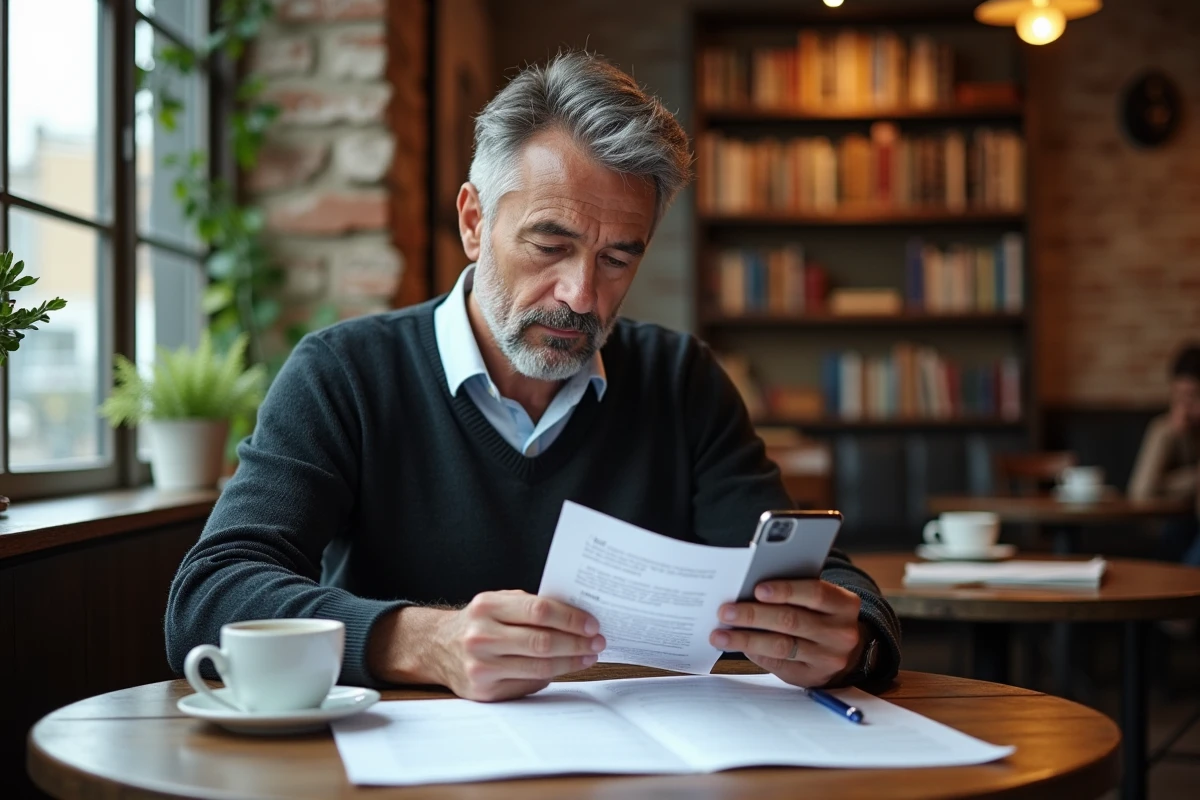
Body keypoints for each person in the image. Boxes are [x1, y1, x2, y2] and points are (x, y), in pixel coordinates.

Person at [165, 52, 901, 702]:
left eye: (617, 259)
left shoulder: (683, 382)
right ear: (473, 221)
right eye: (550, 244)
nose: (581, 294)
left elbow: (835, 587)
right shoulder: (345, 374)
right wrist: (421, 642)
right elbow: (210, 593)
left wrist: (850, 637)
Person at [1129, 343, 1200, 568]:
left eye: (1193, 397)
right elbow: (1141, 493)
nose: (1185, 406)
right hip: (1170, 527)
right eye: (1178, 396)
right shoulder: (1164, 429)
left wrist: (1168, 484)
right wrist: (1169, 433)